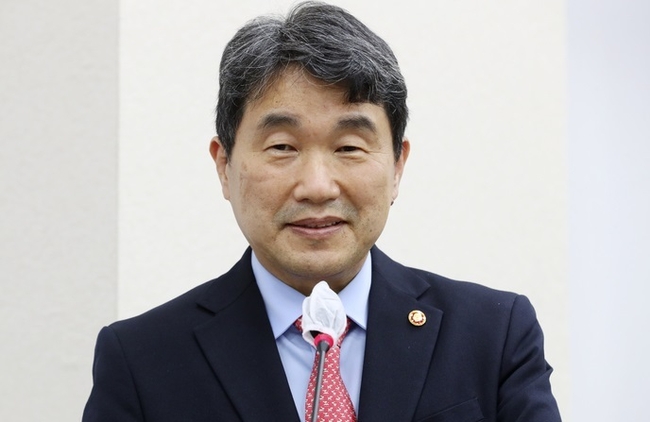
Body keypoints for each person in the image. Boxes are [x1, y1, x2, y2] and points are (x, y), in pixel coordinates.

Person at [83, 2, 561, 421]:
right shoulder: (141, 361)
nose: (317, 186)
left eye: (349, 147)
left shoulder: (493, 335)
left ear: (397, 166)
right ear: (224, 165)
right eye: (282, 146)